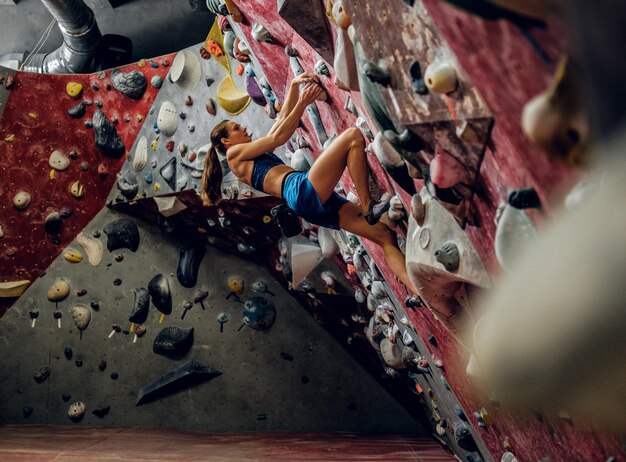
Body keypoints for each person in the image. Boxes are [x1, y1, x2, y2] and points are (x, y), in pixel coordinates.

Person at [201, 72, 418, 293]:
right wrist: (304, 102)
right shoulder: (233, 155)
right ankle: (367, 205)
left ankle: (419, 292)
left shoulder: (246, 156)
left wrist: (294, 86)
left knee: (385, 236)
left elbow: (280, 123)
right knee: (352, 136)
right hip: (298, 189)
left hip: (304, 204)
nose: (244, 129)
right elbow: (279, 138)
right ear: (225, 141)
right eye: (237, 128)